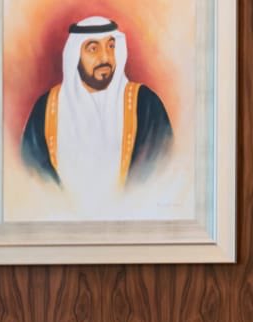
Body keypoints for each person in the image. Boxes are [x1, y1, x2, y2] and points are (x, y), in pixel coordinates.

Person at [20, 16, 174, 198]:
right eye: (93, 49)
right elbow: (33, 178)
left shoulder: (146, 104)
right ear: (75, 55)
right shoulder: (46, 109)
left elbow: (161, 174)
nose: (105, 58)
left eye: (111, 46)